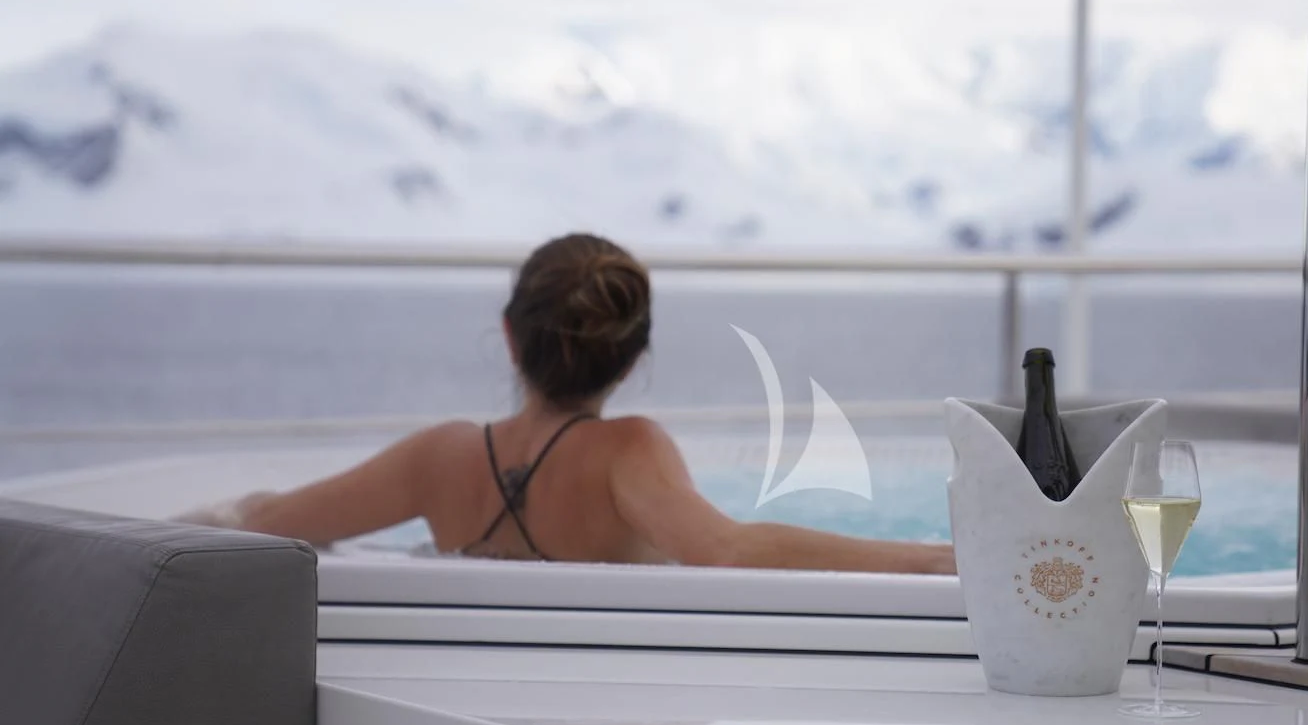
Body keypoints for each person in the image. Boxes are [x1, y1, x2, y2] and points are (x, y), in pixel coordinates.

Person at [181, 233, 955, 574]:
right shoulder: (629, 453)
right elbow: (727, 550)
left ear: (510, 338)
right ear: (634, 357)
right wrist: (928, 559)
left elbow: (268, 525)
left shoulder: (439, 458)